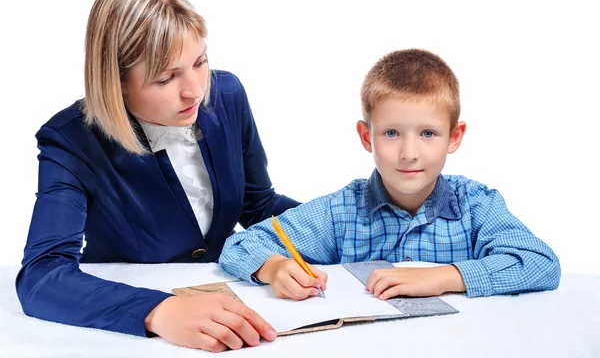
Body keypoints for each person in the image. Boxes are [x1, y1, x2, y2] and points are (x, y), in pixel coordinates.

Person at [15, 0, 299, 352]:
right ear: (116, 82)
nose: (195, 91)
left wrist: (351, 218)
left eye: (200, 62)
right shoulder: (70, 140)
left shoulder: (227, 94)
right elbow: (42, 275)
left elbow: (258, 206)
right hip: (124, 331)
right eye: (167, 78)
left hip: (241, 304)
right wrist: (159, 311)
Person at [219, 49, 561, 301]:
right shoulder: (339, 213)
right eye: (392, 133)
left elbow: (541, 263)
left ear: (454, 137)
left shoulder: (476, 206)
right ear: (367, 136)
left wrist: (446, 277)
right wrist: (275, 267)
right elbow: (240, 245)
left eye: (428, 134)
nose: (409, 153)